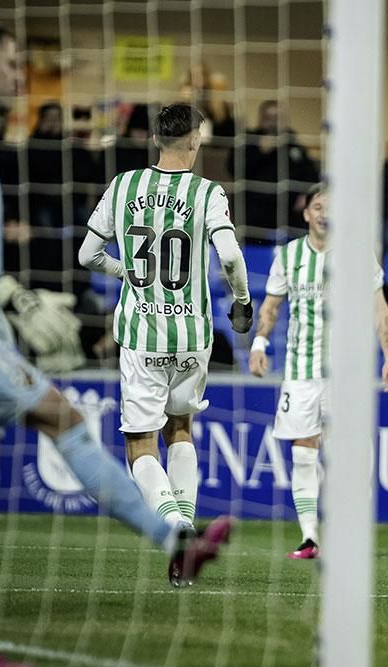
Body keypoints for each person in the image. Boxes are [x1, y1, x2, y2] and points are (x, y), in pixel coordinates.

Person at [0, 21, 231, 667]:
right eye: (10, 61)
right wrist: (11, 294)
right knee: (62, 415)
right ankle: (174, 541)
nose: (19, 73)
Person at [78, 102, 252, 582]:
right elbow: (230, 255)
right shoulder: (207, 192)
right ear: (195, 140)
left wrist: (126, 272)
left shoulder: (123, 186)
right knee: (180, 429)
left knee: (140, 444)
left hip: (142, 336)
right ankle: (186, 537)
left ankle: (178, 532)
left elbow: (88, 254)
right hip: (193, 335)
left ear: (155, 138)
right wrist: (242, 303)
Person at [247, 184, 388, 559]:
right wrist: (259, 344)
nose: (324, 213)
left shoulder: (357, 253)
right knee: (303, 449)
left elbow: (379, 307)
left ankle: (353, 530)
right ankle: (310, 537)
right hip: (300, 370)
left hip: (344, 372)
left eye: (331, 207)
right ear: (306, 213)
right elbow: (271, 306)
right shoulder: (289, 255)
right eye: (318, 207)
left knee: (348, 450)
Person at [227, 100, 320, 245]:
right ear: (261, 119)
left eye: (277, 118)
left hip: (289, 212)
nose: (273, 123)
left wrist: (305, 194)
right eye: (268, 118)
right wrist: (260, 152)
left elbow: (311, 173)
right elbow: (233, 170)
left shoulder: (291, 142)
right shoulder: (248, 140)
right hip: (256, 212)